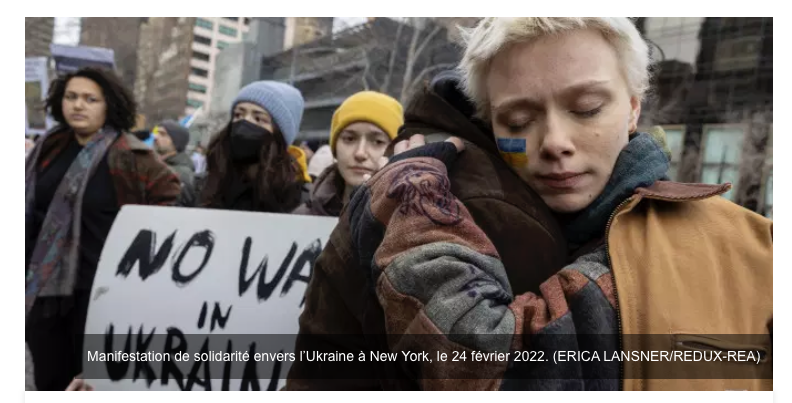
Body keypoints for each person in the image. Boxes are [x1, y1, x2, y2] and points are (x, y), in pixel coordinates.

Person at [290, 18, 773, 391]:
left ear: (633, 106)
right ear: (490, 123)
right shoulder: (407, 212)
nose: (555, 142)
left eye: (586, 109)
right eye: (519, 119)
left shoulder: (755, 248)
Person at [24, 67, 180, 391]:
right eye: (71, 97)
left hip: (99, 297)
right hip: (45, 293)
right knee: (49, 382)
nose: (78, 105)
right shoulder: (48, 147)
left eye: (90, 99)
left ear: (108, 105)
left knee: (91, 386)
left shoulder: (130, 155)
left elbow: (170, 198)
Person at [199, 81, 311, 212]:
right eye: (238, 115)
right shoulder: (202, 186)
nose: (245, 122)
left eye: (258, 118)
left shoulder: (302, 198)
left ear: (280, 134)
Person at [293, 91, 403, 217]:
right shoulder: (302, 217)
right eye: (349, 139)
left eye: (377, 142)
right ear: (335, 148)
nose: (360, 153)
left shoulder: (414, 221)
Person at [154, 120, 197, 207]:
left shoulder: (182, 173)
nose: (156, 137)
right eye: (157, 133)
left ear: (176, 141)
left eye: (162, 134)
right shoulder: (159, 166)